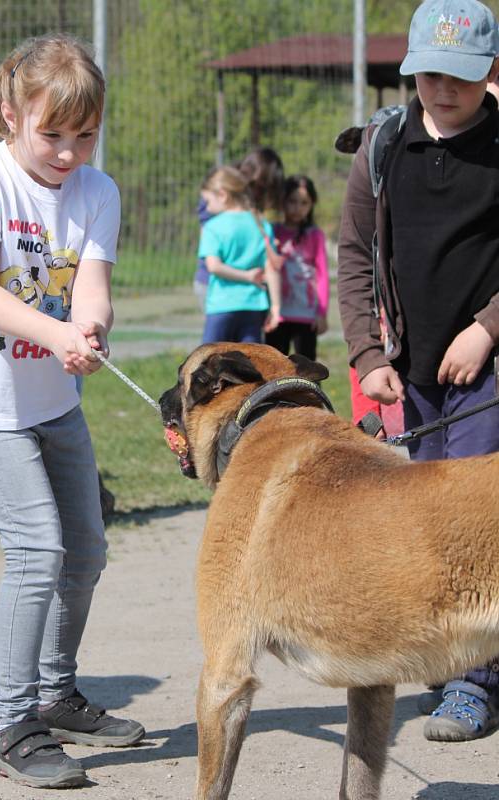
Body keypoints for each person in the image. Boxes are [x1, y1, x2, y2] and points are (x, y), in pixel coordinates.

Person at [0, 33, 144, 787]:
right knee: (37, 551)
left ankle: (56, 698)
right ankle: (11, 721)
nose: (69, 153)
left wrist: (89, 328)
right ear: (11, 112)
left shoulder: (97, 192)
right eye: (53, 134)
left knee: (85, 551)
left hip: (55, 402)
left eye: (85, 136)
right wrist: (54, 332)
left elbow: (91, 285)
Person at [337, 0, 499, 743]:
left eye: (459, 76)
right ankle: (448, 660)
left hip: (487, 367)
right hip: (413, 372)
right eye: (429, 74)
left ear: (490, 72)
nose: (442, 89)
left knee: (477, 525)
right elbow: (354, 260)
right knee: (426, 526)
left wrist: (486, 330)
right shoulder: (383, 145)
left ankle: (474, 683)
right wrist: (369, 357)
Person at [193, 147, 285, 310]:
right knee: (220, 336)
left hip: (249, 289)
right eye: (265, 188)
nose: (265, 195)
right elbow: (209, 239)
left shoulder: (252, 203)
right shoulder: (219, 190)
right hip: (217, 287)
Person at [199, 165, 276, 343]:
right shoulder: (262, 224)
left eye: (208, 201)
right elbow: (271, 268)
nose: (208, 209)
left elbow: (214, 266)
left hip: (222, 305)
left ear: (223, 195)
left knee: (210, 364)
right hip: (254, 305)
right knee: (249, 367)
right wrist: (276, 307)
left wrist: (247, 276)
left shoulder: (213, 226)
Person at [264, 175, 329, 359]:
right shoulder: (273, 231)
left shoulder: (315, 235)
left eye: (304, 203)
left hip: (306, 314)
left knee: (307, 370)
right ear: (283, 201)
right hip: (278, 315)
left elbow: (322, 274)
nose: (298, 208)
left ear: (311, 205)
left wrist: (321, 312)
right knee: (273, 368)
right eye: (292, 201)